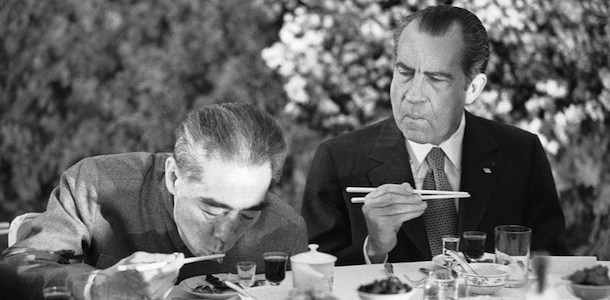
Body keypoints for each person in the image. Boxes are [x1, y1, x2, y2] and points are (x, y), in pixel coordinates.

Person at [301, 5, 568, 266]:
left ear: (473, 88)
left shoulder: (521, 153)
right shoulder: (339, 159)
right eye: (404, 72)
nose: (413, 95)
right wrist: (373, 248)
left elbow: (550, 264)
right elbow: (313, 277)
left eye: (436, 79)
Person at [0, 103, 308, 299]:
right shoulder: (96, 186)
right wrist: (97, 286)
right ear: (174, 177)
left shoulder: (284, 231)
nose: (226, 236)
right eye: (213, 209)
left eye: (248, 215)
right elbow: (13, 274)